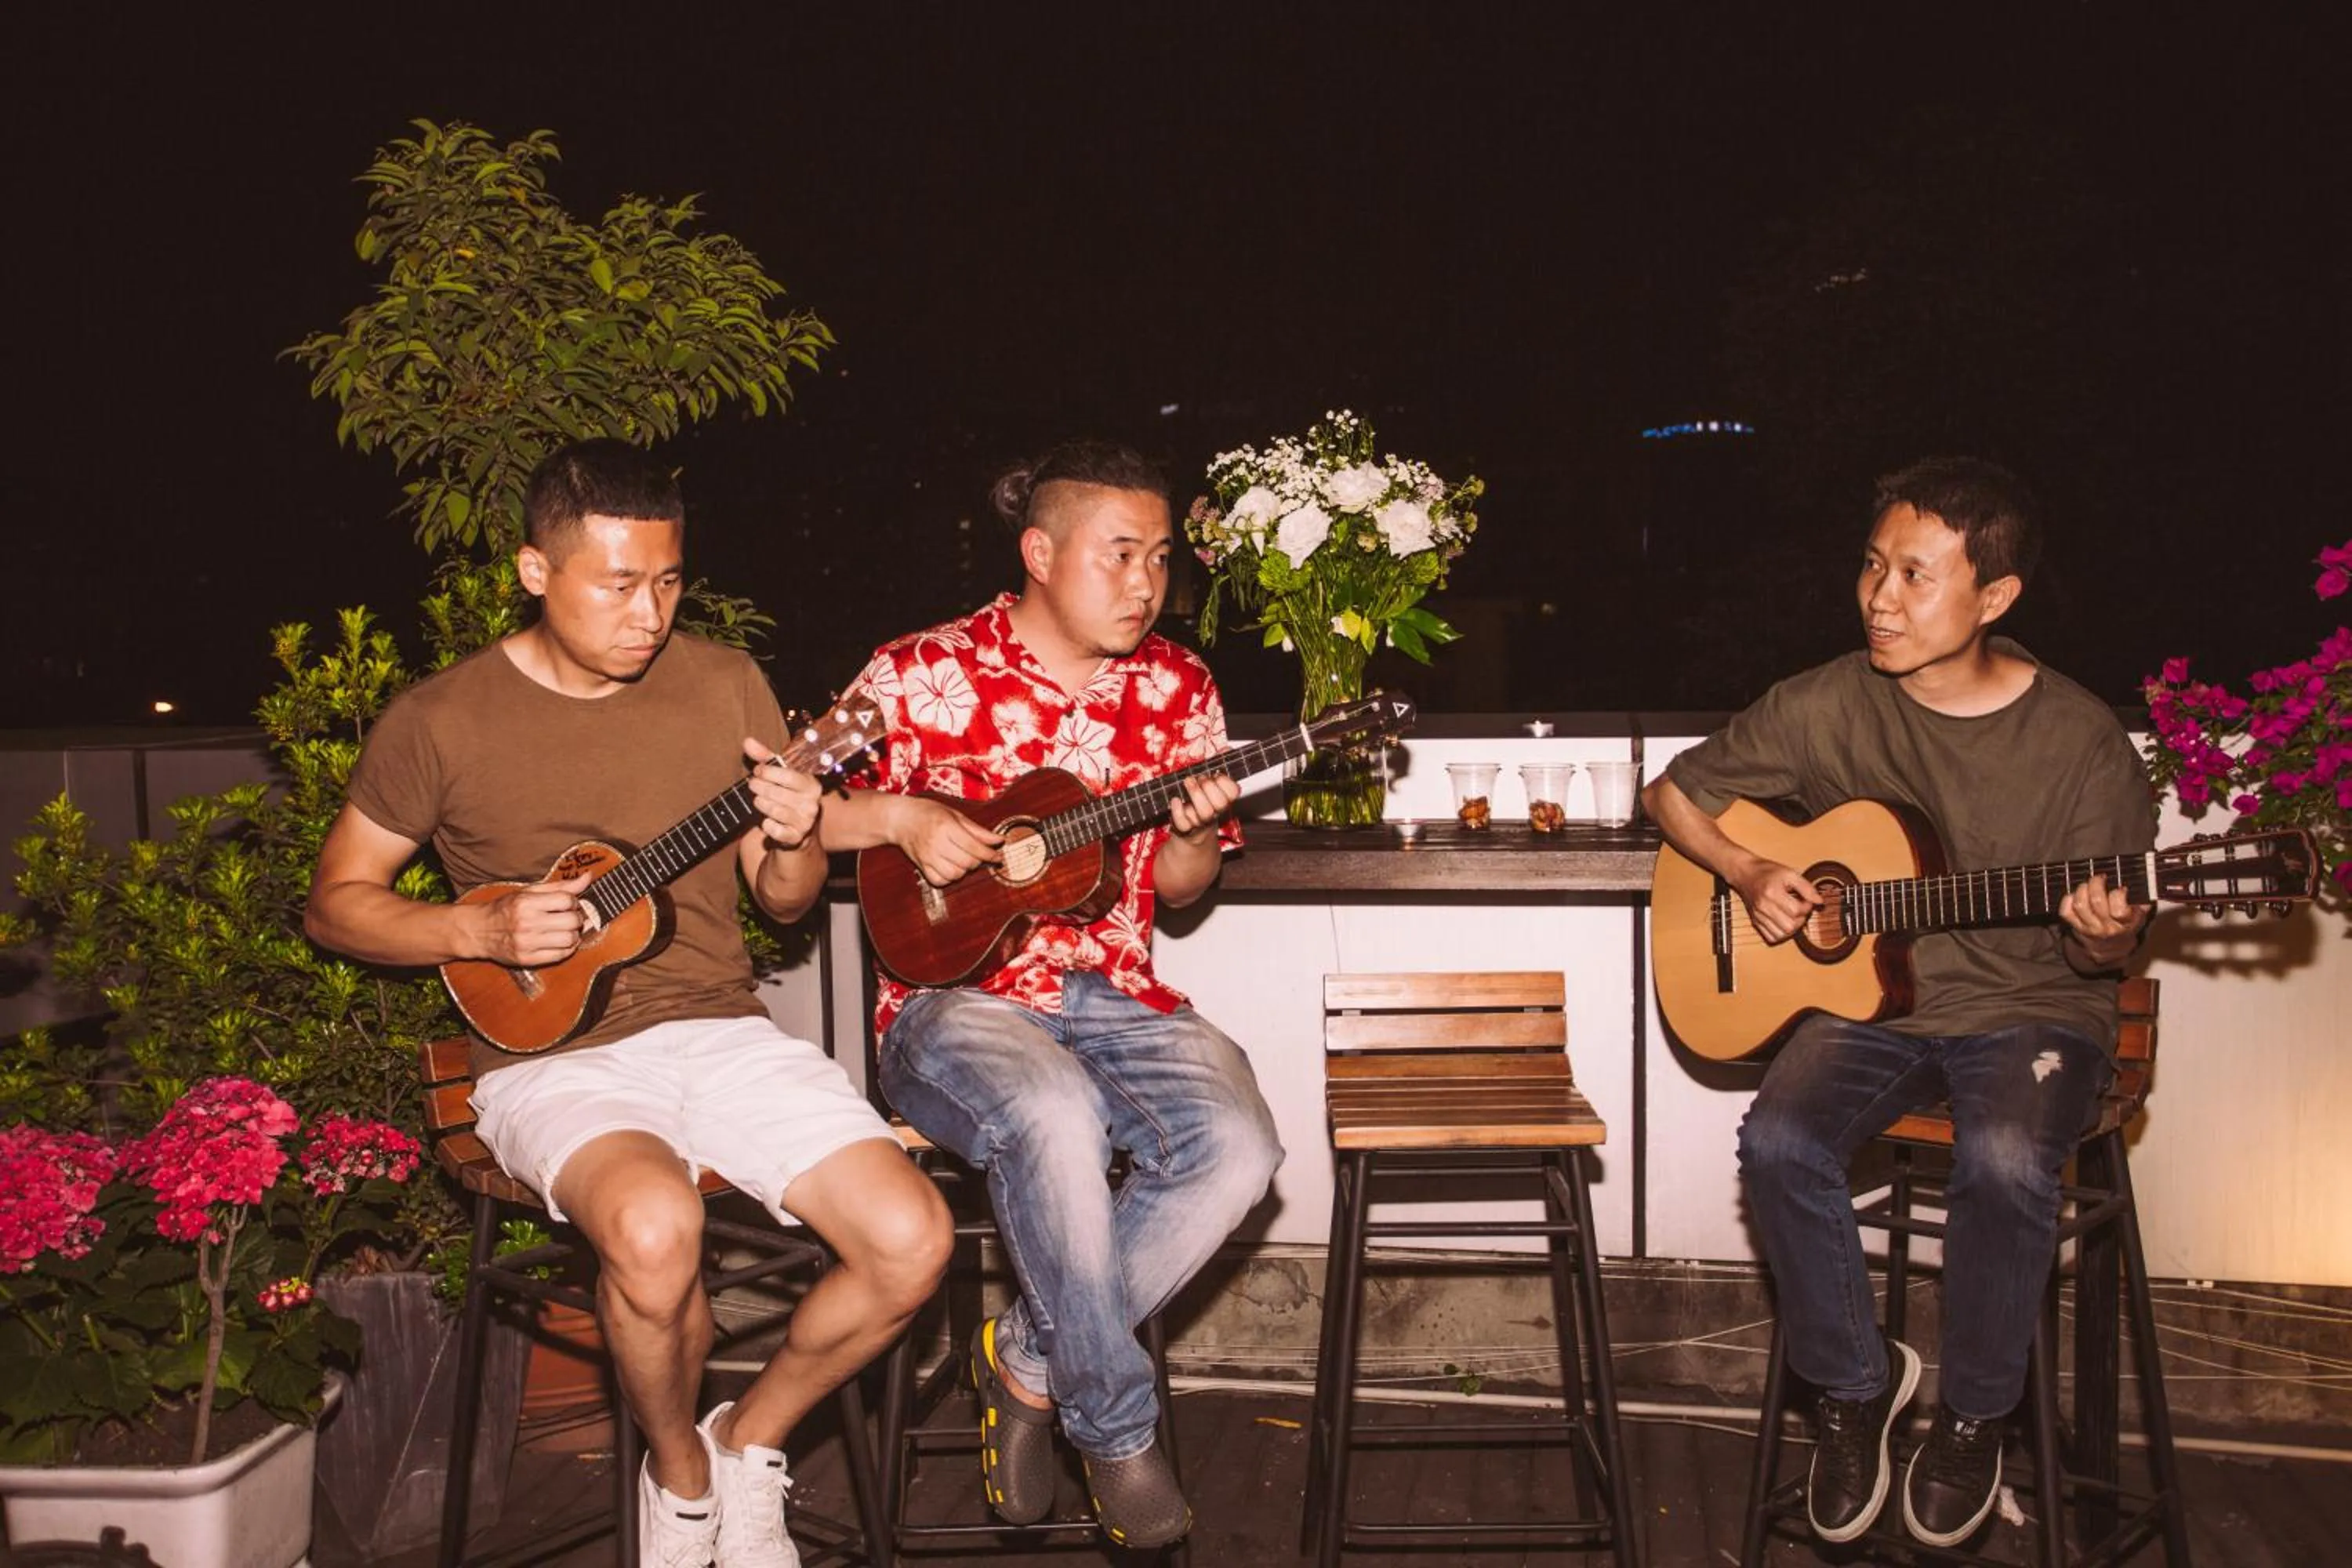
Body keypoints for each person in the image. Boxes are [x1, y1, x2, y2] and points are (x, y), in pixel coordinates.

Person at [306, 439, 952, 1568]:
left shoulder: (724, 682)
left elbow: (784, 900)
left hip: (722, 1028)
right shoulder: (441, 719)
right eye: (616, 585)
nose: (648, 615)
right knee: (655, 1232)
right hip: (549, 1055)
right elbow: (335, 905)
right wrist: (477, 930)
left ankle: (747, 1441)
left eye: (667, 581)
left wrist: (794, 833)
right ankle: (681, 1478)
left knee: (913, 1241)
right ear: (534, 571)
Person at [1641, 457, 2154, 1549]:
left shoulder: (2079, 741)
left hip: (2030, 1005)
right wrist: (1746, 870)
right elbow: (1672, 793)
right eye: (1874, 565)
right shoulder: (1827, 700)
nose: (1880, 597)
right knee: (1778, 1142)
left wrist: (2109, 931)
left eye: (1916, 576)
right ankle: (1855, 1387)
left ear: (1995, 596)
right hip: (1873, 1010)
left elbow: (2098, 947)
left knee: (2005, 1159)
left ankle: (1974, 1419)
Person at [820, 440, 1284, 1551]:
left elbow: (1182, 889)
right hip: (950, 1002)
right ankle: (1116, 1431)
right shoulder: (918, 670)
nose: (1146, 582)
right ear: (1039, 552)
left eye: (1160, 558)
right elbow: (793, 811)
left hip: (1114, 993)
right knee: (1052, 1111)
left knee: (1240, 1146)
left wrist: (1193, 832)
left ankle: (1027, 1358)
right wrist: (901, 818)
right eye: (1120, 554)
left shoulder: (1180, 688)